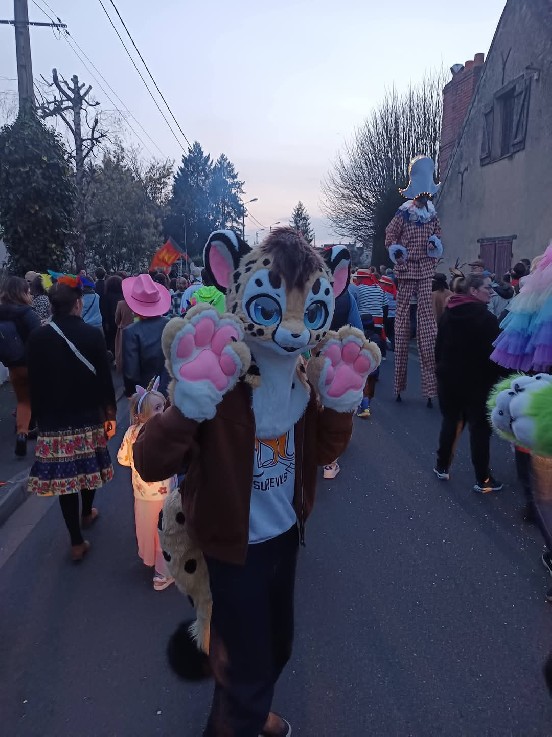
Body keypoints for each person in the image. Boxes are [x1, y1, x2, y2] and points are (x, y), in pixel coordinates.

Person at [133, 229, 380, 737]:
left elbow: (324, 452)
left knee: (275, 645)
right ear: (233, 282)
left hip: (284, 538)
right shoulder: (219, 380)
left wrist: (339, 406)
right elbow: (150, 461)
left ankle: (248, 707)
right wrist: (187, 407)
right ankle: (244, 714)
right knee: (245, 665)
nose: (293, 330)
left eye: (308, 313)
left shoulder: (300, 381)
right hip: (231, 546)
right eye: (271, 308)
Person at [26, 277, 116, 559]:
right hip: (88, 416)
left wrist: (37, 419)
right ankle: (87, 512)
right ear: (78, 304)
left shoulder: (37, 338)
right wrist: (110, 413)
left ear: (53, 306)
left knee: (66, 482)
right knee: (89, 470)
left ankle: (76, 542)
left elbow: (33, 383)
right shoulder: (92, 335)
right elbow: (105, 380)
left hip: (53, 420)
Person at [433, 273, 503, 493]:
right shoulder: (487, 319)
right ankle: (483, 478)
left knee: (450, 421)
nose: (491, 292)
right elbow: (496, 355)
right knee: (480, 429)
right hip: (478, 382)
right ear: (473, 291)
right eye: (487, 288)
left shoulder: (449, 313)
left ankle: (442, 466)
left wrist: (440, 368)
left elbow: (439, 347)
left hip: (449, 379)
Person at [385, 155, 442, 404]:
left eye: (426, 197)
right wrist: (397, 251)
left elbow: (438, 234)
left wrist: (434, 243)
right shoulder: (403, 214)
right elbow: (390, 235)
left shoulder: (432, 215)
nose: (423, 200)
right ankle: (399, 384)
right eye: (421, 197)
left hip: (426, 269)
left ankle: (430, 389)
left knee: (428, 330)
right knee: (401, 326)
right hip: (407, 269)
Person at [117, 379, 176, 590]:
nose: (163, 411)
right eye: (157, 408)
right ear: (142, 414)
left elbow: (123, 459)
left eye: (163, 406)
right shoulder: (165, 432)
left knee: (147, 528)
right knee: (165, 530)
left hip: (141, 494)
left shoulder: (131, 432)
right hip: (164, 493)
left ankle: (151, 560)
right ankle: (163, 572)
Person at [321, 247, 363, 479]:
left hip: (313, 357)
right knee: (337, 404)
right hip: (338, 359)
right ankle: (330, 461)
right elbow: (357, 332)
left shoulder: (309, 290)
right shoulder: (347, 297)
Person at [0, 276, 41, 456]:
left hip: (13, 365)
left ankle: (22, 433)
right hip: (33, 364)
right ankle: (45, 435)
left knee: (23, 401)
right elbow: (39, 338)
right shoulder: (27, 313)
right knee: (42, 398)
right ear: (23, 292)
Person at [122, 274, 171, 397]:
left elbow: (131, 374)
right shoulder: (172, 324)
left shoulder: (131, 331)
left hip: (147, 395)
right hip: (173, 391)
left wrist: (131, 394)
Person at [357, 314, 385, 418]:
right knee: (371, 389)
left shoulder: (360, 338)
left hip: (362, 368)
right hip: (374, 368)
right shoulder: (376, 337)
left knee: (364, 388)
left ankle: (365, 408)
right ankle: (367, 405)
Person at [100, 275, 124, 354]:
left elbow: (103, 311)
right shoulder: (123, 296)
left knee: (110, 341)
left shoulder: (104, 296)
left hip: (109, 323)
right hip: (121, 322)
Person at [114, 297, 134, 373]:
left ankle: (121, 368)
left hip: (123, 330)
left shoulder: (121, 303)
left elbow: (117, 319)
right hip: (134, 329)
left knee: (120, 351)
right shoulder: (137, 304)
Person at [379, 274, 397, 350]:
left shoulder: (382, 293)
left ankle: (385, 348)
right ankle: (394, 347)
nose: (380, 284)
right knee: (392, 333)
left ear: (386, 284)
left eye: (382, 283)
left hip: (386, 316)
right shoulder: (396, 293)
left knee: (385, 333)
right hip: (394, 316)